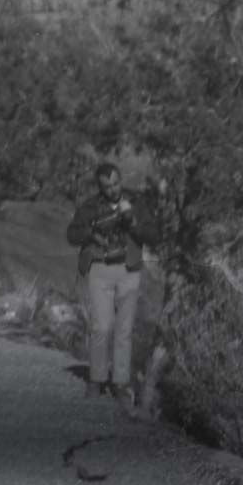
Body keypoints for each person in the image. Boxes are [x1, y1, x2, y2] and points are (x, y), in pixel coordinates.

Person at [66, 162, 160, 413]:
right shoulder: (90, 206)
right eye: (107, 186)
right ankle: (96, 379)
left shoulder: (136, 201)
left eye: (116, 183)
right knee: (101, 326)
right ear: (100, 187)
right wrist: (92, 232)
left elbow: (153, 234)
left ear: (121, 179)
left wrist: (133, 223)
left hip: (129, 269)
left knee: (124, 330)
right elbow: (71, 235)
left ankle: (120, 383)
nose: (113, 189)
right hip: (100, 269)